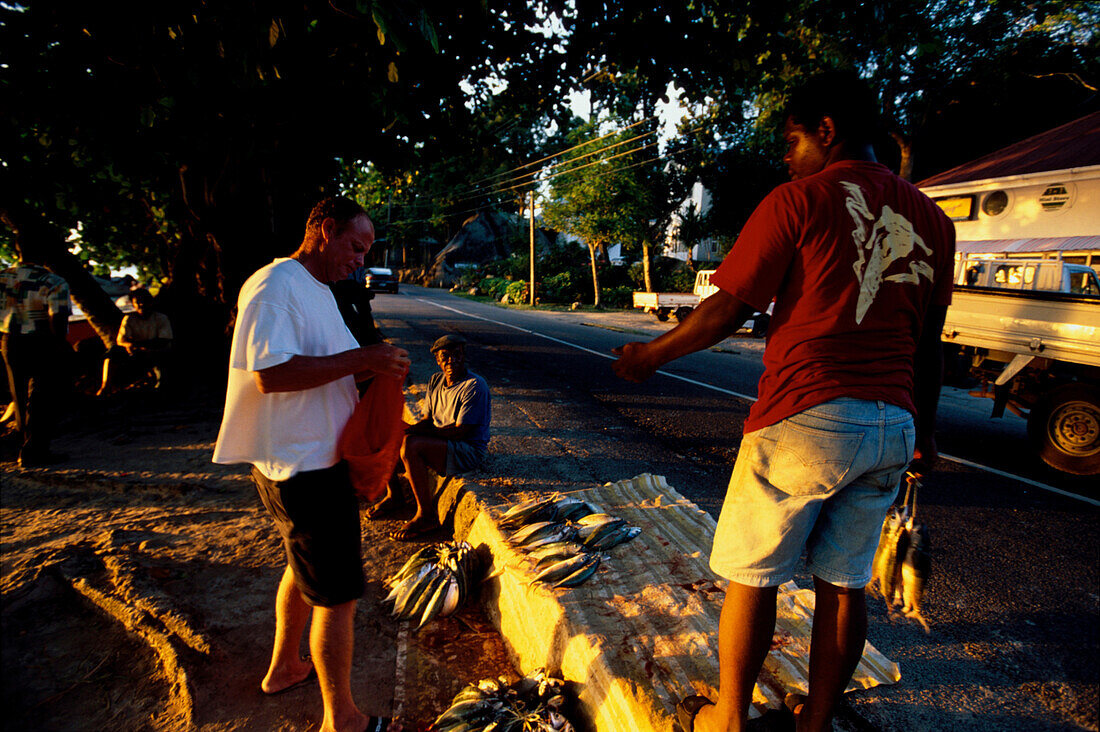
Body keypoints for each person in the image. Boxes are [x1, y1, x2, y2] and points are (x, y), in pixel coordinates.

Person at [612, 72, 955, 732]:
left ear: (826, 131)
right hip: (892, 424)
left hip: (808, 416)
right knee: (845, 583)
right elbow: (930, 345)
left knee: (753, 576)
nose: (785, 155)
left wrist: (648, 356)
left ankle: (728, 717)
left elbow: (726, 310)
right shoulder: (934, 220)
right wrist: (927, 434)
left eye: (791, 139)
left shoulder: (800, 199)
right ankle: (816, 719)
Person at [212, 196, 410, 732]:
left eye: (366, 252)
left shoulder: (317, 289)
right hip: (306, 469)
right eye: (355, 246)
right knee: (338, 597)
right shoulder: (277, 286)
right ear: (324, 230)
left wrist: (373, 372)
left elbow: (323, 369)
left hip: (304, 462)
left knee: (304, 571)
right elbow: (271, 374)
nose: (360, 261)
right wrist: (366, 358)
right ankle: (340, 718)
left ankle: (283, 667)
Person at [369, 333, 491, 541]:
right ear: (438, 360)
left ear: (464, 356)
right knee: (385, 431)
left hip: (466, 449)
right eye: (445, 356)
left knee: (411, 445)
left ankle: (427, 516)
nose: (452, 360)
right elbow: (427, 419)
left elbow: (461, 431)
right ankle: (395, 496)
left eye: (457, 354)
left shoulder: (474, 385)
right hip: (442, 441)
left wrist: (414, 434)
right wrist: (406, 430)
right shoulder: (436, 380)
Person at [0, 251, 71, 467]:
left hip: (9, 340)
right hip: (42, 340)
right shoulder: (53, 281)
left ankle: (23, 446)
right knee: (43, 397)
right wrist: (60, 346)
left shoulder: (3, 277)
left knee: (18, 395)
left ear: (17, 251)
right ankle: (36, 449)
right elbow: (57, 318)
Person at [97, 288, 173, 396]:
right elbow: (121, 340)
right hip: (136, 353)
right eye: (138, 302)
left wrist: (139, 345)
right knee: (113, 352)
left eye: (145, 301)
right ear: (133, 304)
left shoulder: (161, 318)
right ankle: (105, 387)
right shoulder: (129, 319)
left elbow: (163, 340)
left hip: (157, 353)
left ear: (150, 302)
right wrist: (130, 345)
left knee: (160, 371)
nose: (141, 304)